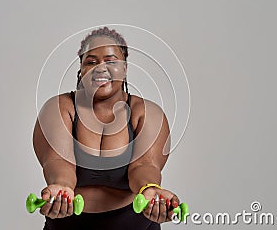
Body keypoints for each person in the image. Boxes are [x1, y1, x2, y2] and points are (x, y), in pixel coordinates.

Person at [33, 27, 180, 230]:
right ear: (81, 68)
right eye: (91, 62)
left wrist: (150, 189)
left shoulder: (146, 112)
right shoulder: (60, 107)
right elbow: (58, 160)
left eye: (111, 61)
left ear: (125, 68)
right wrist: (62, 188)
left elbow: (144, 165)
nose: (100, 68)